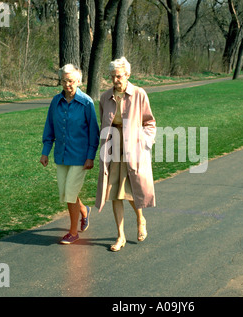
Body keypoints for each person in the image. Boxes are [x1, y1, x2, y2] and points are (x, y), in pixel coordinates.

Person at [95, 57, 156, 252]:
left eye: (119, 76)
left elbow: (150, 123)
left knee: (131, 189)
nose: (115, 80)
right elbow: (104, 122)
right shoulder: (105, 97)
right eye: (112, 76)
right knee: (114, 193)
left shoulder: (139, 94)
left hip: (134, 148)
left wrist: (143, 143)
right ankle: (120, 236)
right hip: (113, 147)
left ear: (128, 75)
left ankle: (140, 219)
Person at [40, 64, 100, 244]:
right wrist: (45, 152)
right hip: (61, 155)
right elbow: (49, 127)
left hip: (80, 157)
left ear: (79, 81)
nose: (68, 84)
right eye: (65, 81)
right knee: (65, 193)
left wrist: (90, 156)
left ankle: (73, 232)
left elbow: (93, 133)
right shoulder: (55, 102)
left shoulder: (86, 103)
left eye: (71, 81)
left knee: (70, 193)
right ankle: (84, 210)